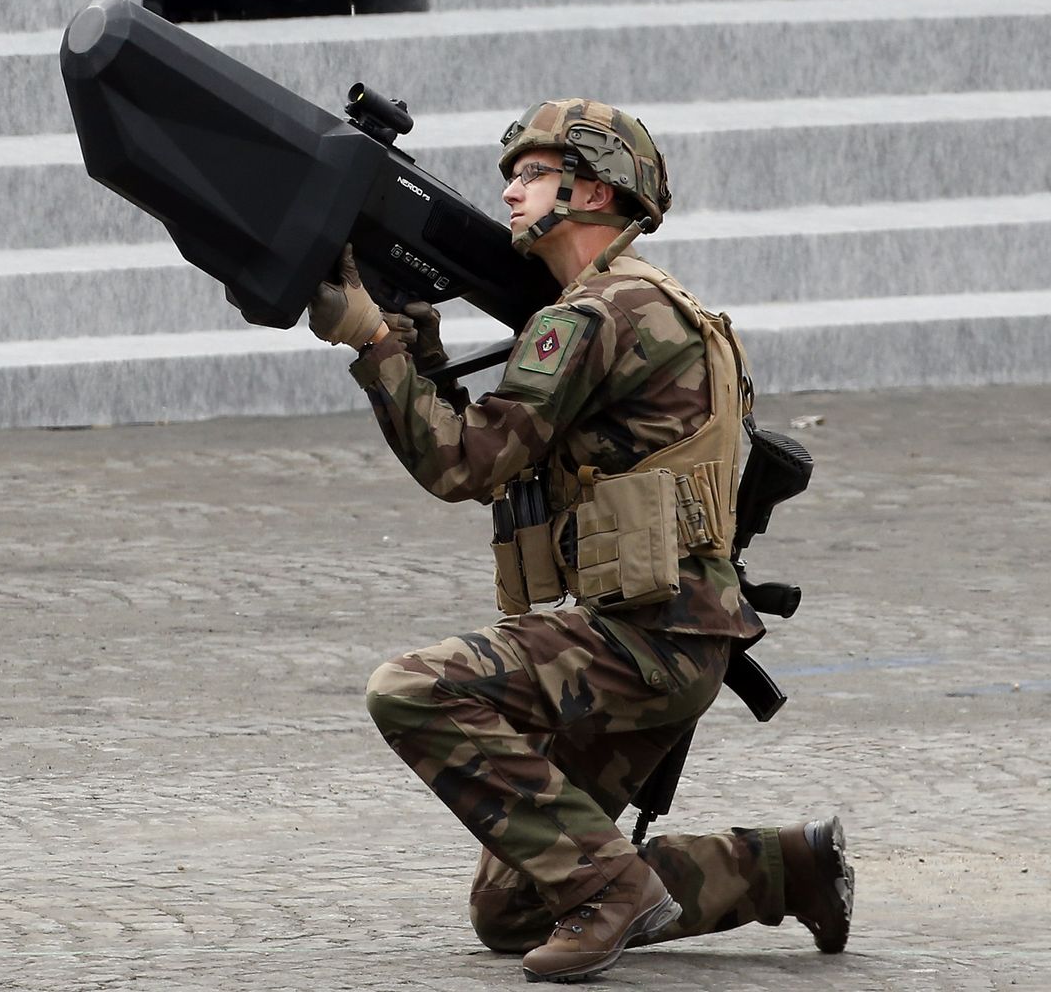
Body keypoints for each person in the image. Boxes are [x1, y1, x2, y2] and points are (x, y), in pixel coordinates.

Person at [307, 99, 854, 983]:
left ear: (595, 190)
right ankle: (791, 867)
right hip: (676, 634)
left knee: (411, 689)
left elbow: (463, 464)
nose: (509, 190)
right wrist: (422, 352)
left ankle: (613, 888)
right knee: (512, 907)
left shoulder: (595, 314)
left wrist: (372, 341)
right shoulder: (645, 301)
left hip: (645, 640)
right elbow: (502, 443)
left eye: (532, 173)